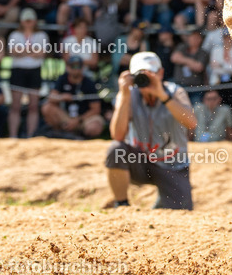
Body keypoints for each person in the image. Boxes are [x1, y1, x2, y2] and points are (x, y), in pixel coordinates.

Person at [105, 51, 197, 210]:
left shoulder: (175, 91)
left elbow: (191, 123)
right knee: (115, 150)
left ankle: (161, 203)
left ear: (160, 73)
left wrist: (162, 95)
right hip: (141, 161)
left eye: (150, 74)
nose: (145, 79)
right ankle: (121, 205)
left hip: (173, 165)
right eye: (140, 75)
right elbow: (117, 135)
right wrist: (124, 95)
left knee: (182, 214)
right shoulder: (128, 94)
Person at [41, 56, 104, 140]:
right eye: (72, 66)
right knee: (47, 107)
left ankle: (84, 138)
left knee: (94, 127)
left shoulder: (89, 83)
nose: (75, 69)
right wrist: (62, 97)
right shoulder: (62, 79)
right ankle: (60, 133)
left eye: (78, 66)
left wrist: (78, 120)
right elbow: (51, 98)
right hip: (65, 117)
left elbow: (96, 109)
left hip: (83, 118)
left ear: (82, 68)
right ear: (67, 67)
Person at [7, 8, 46, 138]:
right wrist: (31, 51)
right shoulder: (15, 35)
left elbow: (41, 53)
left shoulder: (41, 35)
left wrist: (23, 51)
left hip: (34, 70)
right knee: (15, 106)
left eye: (30, 20)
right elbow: (13, 52)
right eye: (26, 20)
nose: (28, 23)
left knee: (33, 106)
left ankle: (31, 136)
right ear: (22, 21)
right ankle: (13, 135)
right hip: (19, 70)